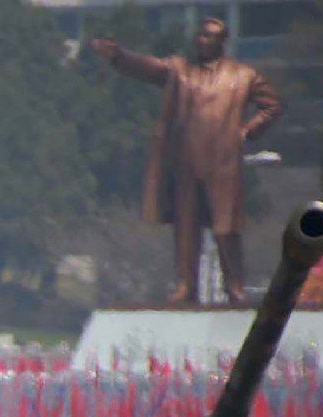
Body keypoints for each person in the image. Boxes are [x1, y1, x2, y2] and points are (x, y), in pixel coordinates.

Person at [93, 19, 283, 305]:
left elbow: (272, 105)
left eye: (209, 36)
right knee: (186, 226)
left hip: (223, 162)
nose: (201, 41)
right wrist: (120, 56)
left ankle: (235, 285)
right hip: (186, 160)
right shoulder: (181, 71)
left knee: (226, 227)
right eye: (200, 35)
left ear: (222, 41)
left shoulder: (243, 75)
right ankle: (185, 285)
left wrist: (246, 130)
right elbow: (150, 67)